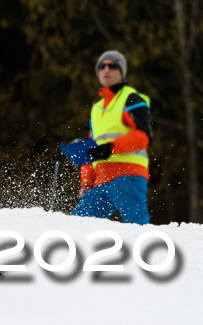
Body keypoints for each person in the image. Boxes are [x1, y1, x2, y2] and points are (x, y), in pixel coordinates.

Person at [71, 50, 152, 224]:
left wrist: (111, 148)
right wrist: (86, 181)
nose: (106, 70)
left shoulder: (131, 99)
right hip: (100, 182)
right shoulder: (97, 108)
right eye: (102, 66)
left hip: (128, 176)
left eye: (112, 66)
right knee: (76, 226)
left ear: (121, 72)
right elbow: (92, 149)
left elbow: (143, 137)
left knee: (137, 230)